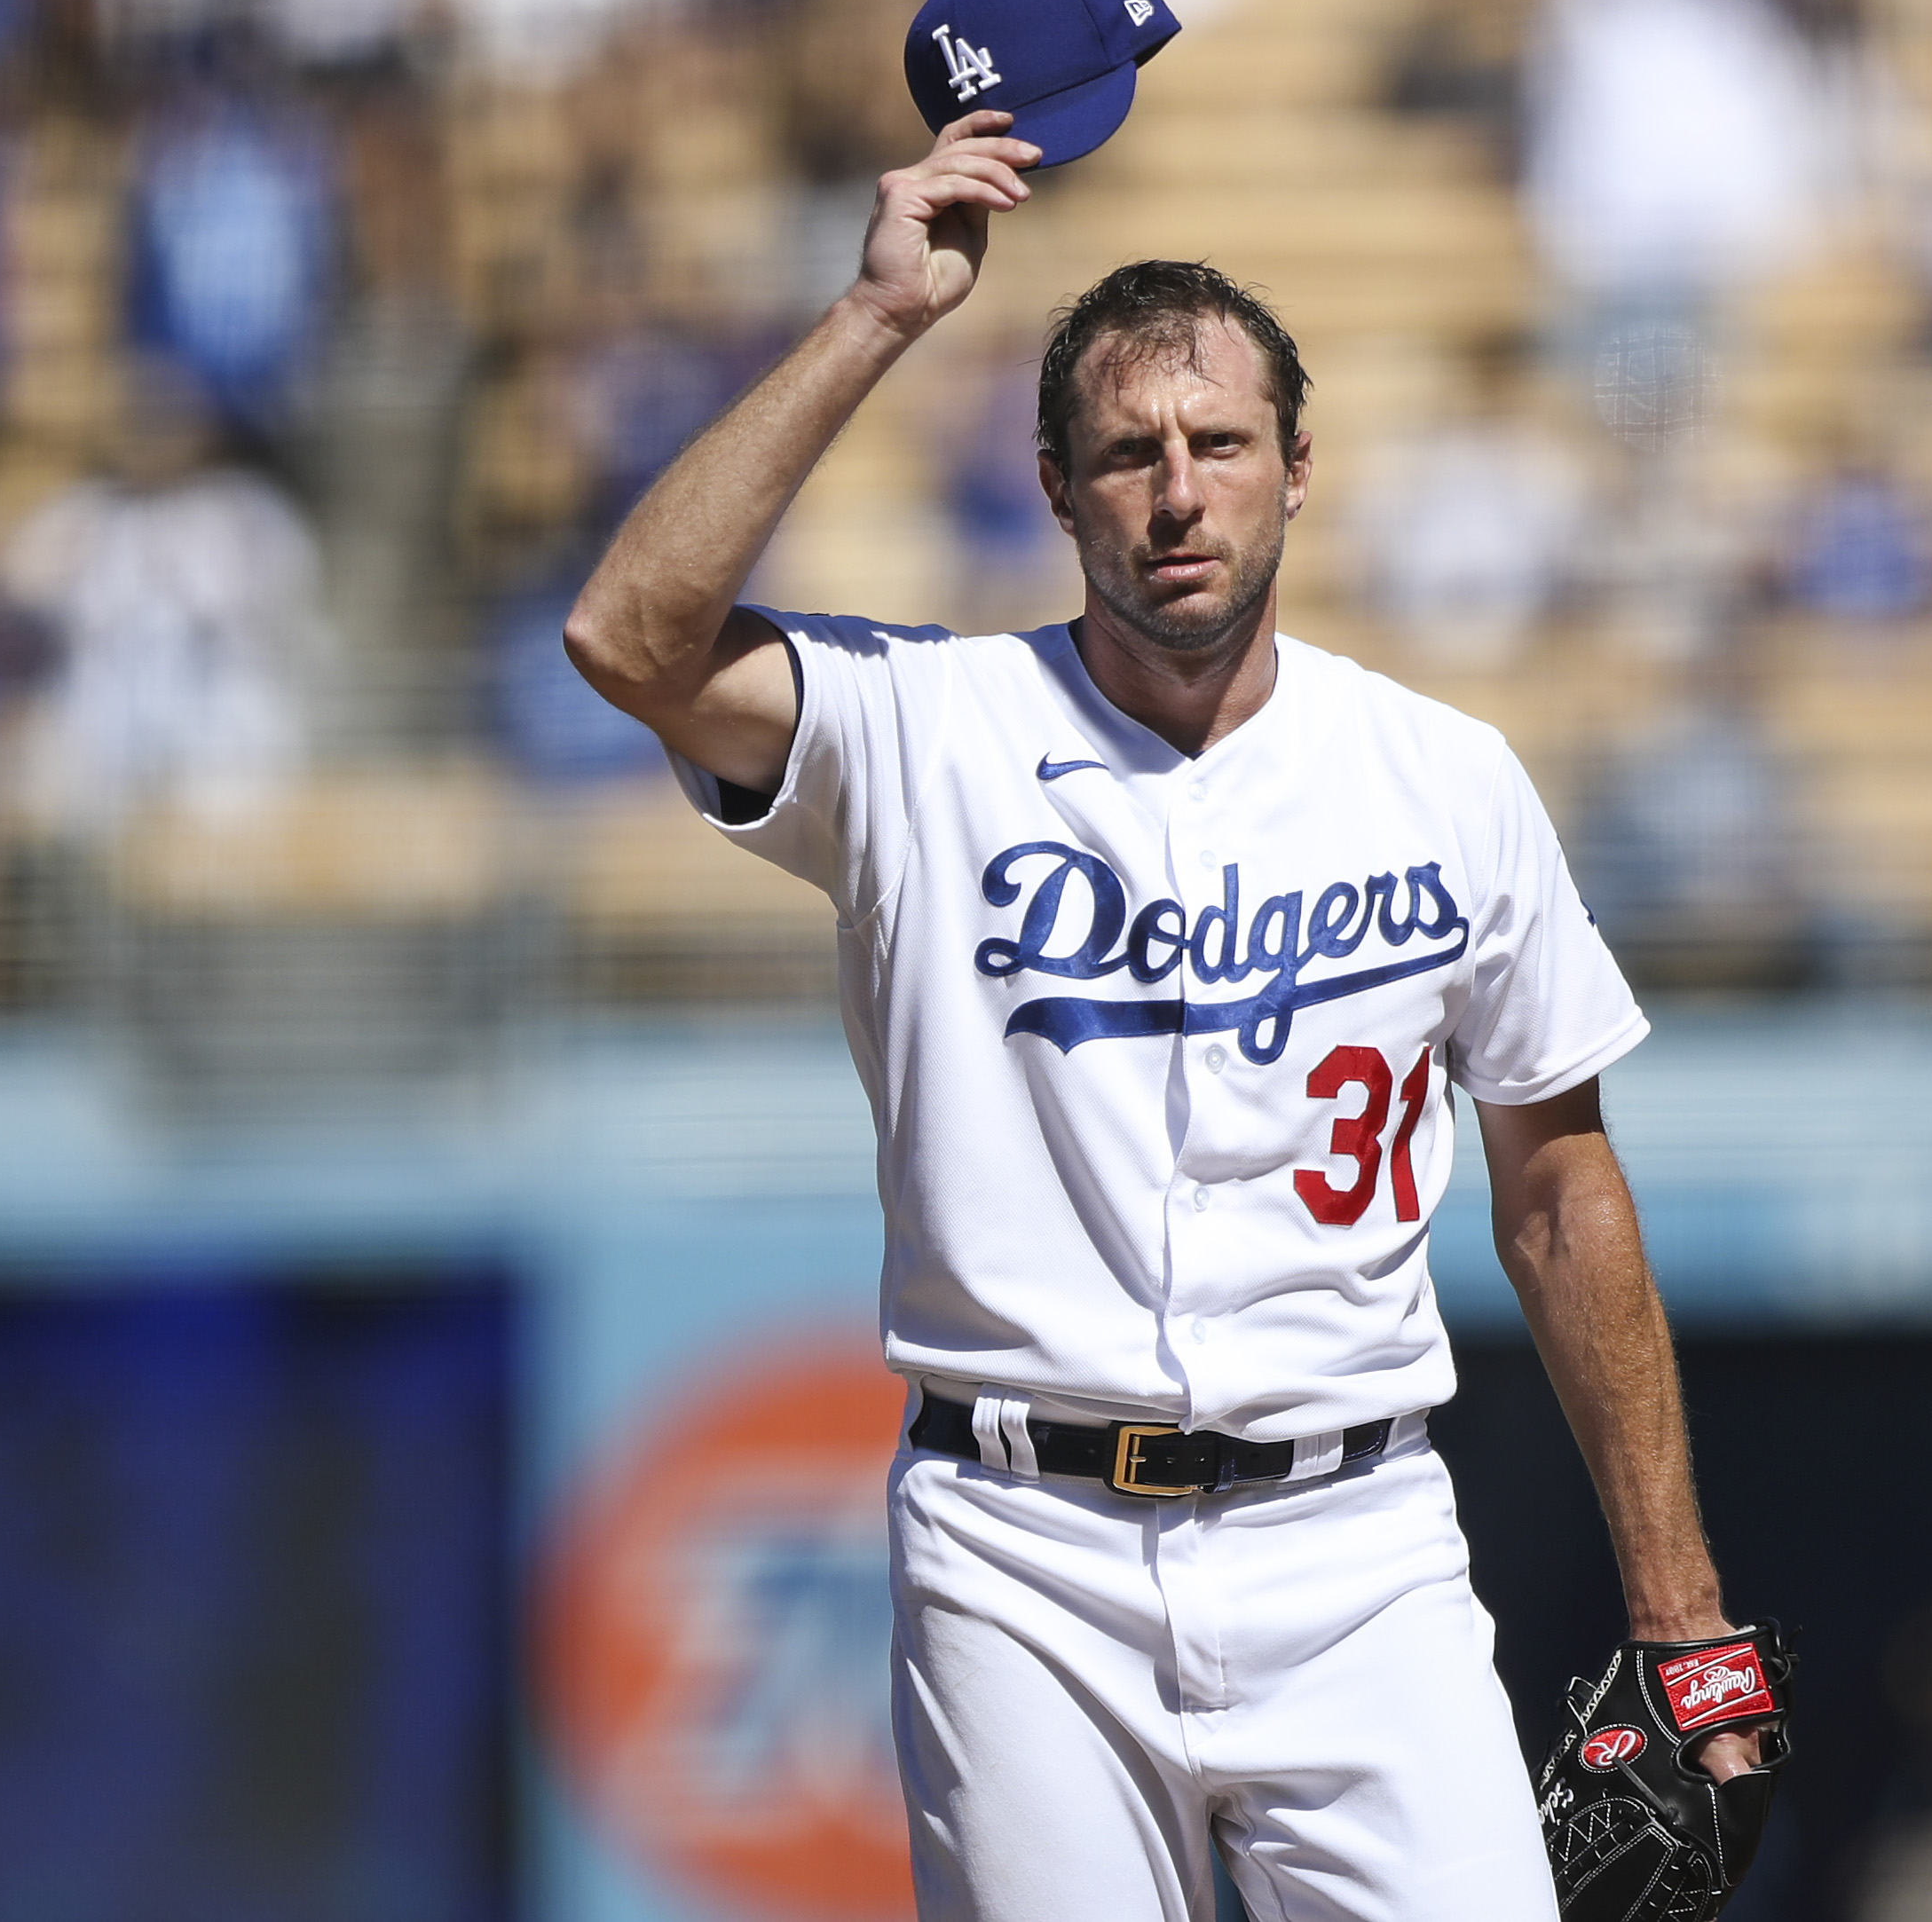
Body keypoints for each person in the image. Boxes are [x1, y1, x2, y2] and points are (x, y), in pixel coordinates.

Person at [564, 111, 1761, 1920]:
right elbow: (630, 638)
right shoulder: (923, 730)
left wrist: (1683, 1620)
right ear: (1055, 490)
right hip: (1020, 1547)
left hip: (1355, 1537)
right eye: (1126, 454)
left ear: (1299, 466)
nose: (1178, 489)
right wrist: (874, 322)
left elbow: (1559, 1192)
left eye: (1219, 442)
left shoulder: (1443, 774)